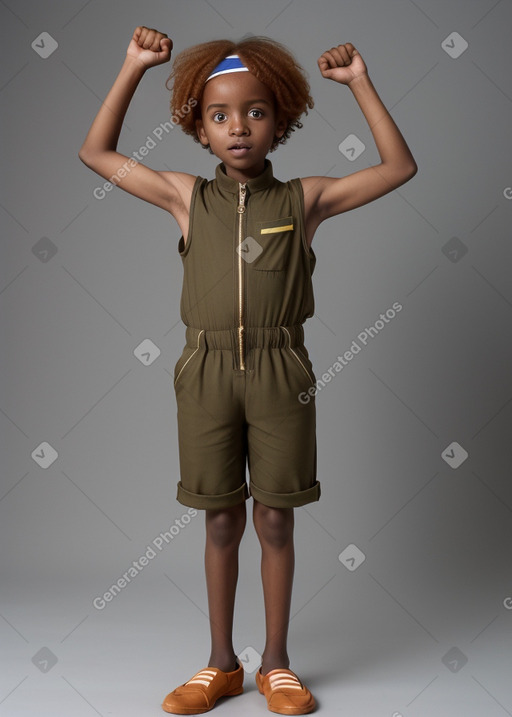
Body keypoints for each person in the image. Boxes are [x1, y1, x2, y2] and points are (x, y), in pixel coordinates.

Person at [78, 25, 417, 715]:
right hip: (204, 372)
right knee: (220, 522)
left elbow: (397, 168)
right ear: (199, 130)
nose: (239, 128)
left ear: (281, 122)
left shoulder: (305, 200)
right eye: (220, 115)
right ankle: (221, 664)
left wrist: (359, 83)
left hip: (280, 369)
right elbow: (96, 152)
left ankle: (279, 664)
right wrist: (133, 64)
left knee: (277, 522)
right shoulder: (184, 197)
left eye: (256, 112)